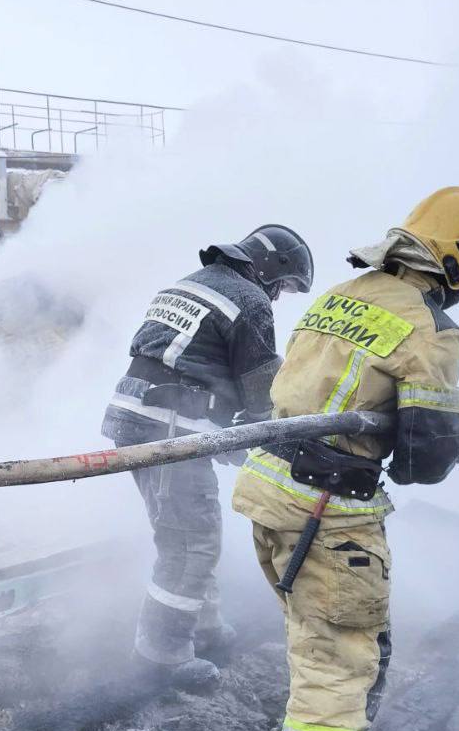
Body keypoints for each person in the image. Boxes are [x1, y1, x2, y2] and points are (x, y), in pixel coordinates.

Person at [233, 187, 459, 731]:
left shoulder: (346, 294)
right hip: (331, 514)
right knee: (343, 659)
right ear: (457, 264)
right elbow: (419, 461)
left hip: (269, 490)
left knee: (328, 646)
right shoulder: (431, 327)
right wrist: (451, 435)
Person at [101, 226, 314, 688]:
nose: (278, 297)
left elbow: (185, 359)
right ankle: (161, 655)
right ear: (271, 269)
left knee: (193, 530)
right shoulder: (249, 299)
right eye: (283, 286)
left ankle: (204, 627)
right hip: (170, 429)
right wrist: (273, 435)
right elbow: (261, 388)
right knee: (189, 542)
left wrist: (224, 429)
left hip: (142, 418)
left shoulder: (193, 282)